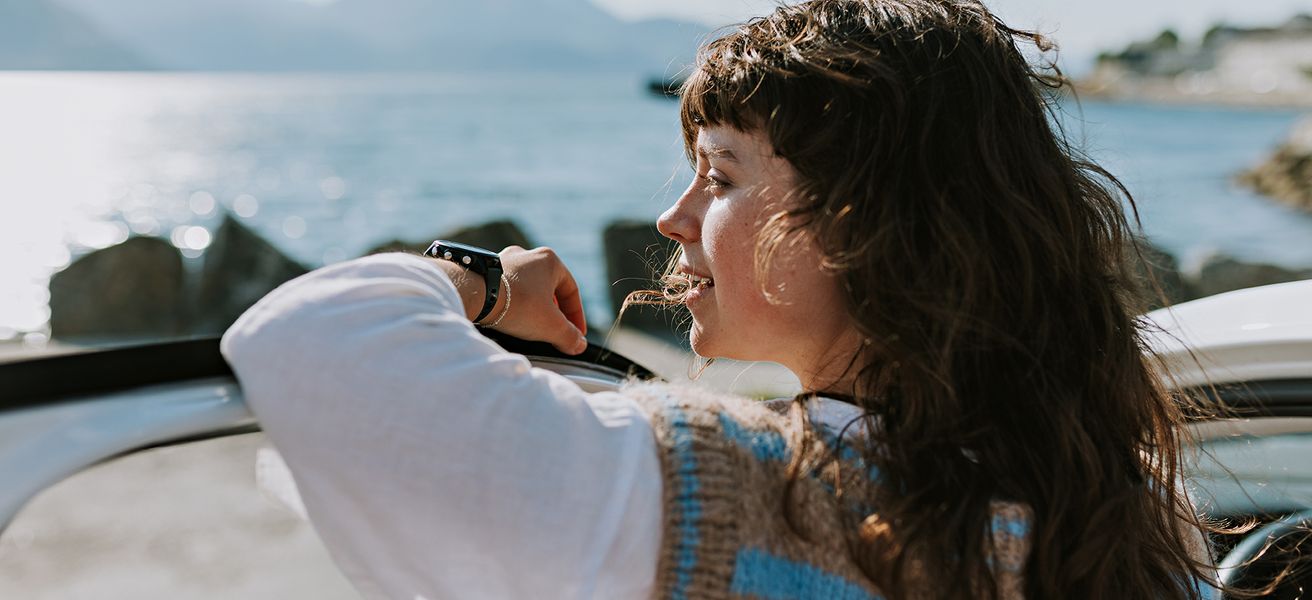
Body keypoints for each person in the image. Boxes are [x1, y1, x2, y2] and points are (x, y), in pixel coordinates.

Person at [221, 0, 1218, 598]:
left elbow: (309, 339)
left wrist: (481, 283)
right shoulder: (1125, 511)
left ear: (857, 223)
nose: (673, 216)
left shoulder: (719, 496)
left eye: (720, 175)